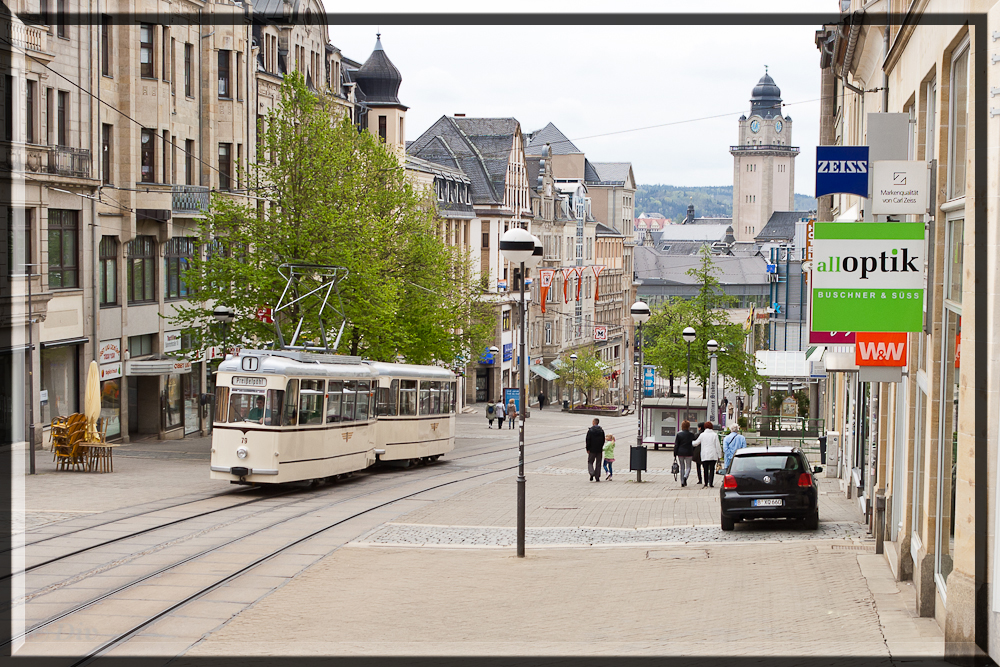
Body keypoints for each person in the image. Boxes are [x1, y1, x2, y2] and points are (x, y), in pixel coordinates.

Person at [695, 421, 722, 488]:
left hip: (705, 454)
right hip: (713, 454)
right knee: (712, 469)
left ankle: (706, 483)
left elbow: (696, 443)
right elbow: (717, 446)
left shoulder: (702, 435)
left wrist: (689, 443)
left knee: (705, 469)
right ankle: (711, 483)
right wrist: (719, 455)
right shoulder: (715, 435)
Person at [673, 420, 695, 487]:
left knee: (682, 467)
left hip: (680, 452)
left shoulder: (679, 434)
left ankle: (682, 481)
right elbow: (693, 443)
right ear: (689, 426)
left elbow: (676, 445)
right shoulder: (691, 434)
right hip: (689, 452)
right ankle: (685, 477)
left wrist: (675, 453)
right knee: (688, 467)